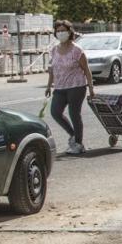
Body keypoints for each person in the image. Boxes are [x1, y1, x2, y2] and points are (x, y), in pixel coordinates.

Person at [45, 20, 95, 155]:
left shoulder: (77, 50)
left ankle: (78, 144)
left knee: (74, 114)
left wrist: (91, 88)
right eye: (58, 31)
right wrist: (49, 86)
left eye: (63, 30)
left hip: (76, 87)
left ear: (69, 32)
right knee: (55, 112)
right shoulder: (54, 50)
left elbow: (86, 70)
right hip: (60, 88)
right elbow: (52, 70)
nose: (61, 33)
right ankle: (73, 135)